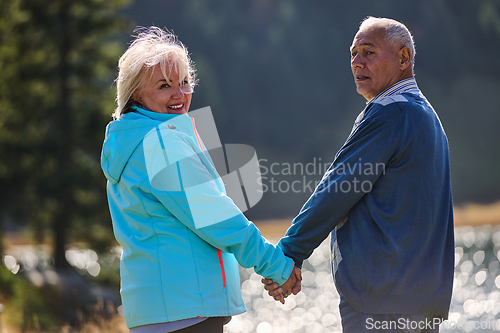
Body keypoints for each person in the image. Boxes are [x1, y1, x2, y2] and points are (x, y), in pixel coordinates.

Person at [100, 27, 301, 333]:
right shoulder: (160, 143)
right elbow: (215, 216)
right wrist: (276, 265)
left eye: (184, 82)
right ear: (136, 94)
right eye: (165, 86)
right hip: (185, 312)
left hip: (158, 312)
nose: (180, 94)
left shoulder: (132, 141)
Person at [263, 17, 454, 332]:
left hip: (382, 305)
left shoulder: (392, 112)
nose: (356, 62)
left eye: (369, 52)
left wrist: (289, 253)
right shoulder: (423, 114)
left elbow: (337, 189)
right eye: (353, 53)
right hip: (418, 303)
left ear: (404, 58)